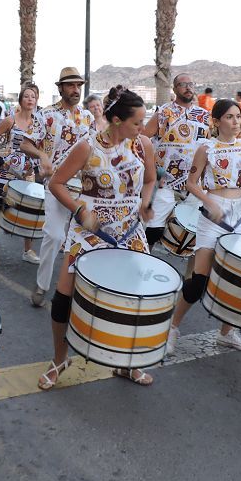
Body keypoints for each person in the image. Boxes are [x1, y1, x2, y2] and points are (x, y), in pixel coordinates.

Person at [37, 86, 156, 390]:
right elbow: (57, 183)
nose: (142, 128)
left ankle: (127, 364)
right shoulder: (86, 147)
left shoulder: (142, 145)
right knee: (63, 299)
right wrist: (79, 210)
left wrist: (145, 201)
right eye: (136, 123)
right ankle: (59, 359)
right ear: (117, 120)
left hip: (129, 232)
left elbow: (152, 179)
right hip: (90, 233)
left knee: (132, 302)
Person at [166, 99, 241, 355]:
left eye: (238, 117)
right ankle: (173, 328)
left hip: (239, 215)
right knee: (199, 280)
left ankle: (226, 333)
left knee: (237, 278)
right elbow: (191, 183)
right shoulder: (206, 147)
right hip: (213, 215)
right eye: (229, 117)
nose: (236, 121)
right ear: (216, 122)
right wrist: (209, 201)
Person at [20, 67, 96, 307]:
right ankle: (42, 286)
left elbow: (97, 149)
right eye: (71, 85)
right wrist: (42, 155)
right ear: (60, 88)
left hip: (83, 186)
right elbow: (25, 143)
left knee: (89, 239)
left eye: (79, 86)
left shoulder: (88, 118)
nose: (76, 90)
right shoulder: (45, 115)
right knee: (54, 235)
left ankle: (85, 293)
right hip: (56, 185)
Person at [141, 73, 209, 248]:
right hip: (165, 180)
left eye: (191, 84)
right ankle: (141, 265)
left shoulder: (204, 115)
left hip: (193, 182)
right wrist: (150, 171)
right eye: (182, 84)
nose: (188, 88)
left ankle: (191, 275)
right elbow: (142, 140)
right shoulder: (164, 112)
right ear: (174, 88)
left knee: (193, 234)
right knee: (153, 230)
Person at [0, 84, 41, 267]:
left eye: (33, 96)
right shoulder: (10, 120)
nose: (30, 99)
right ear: (20, 100)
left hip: (28, 173)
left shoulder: (39, 123)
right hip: (8, 170)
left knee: (30, 211)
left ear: (37, 99)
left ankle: (28, 250)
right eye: (26, 96)